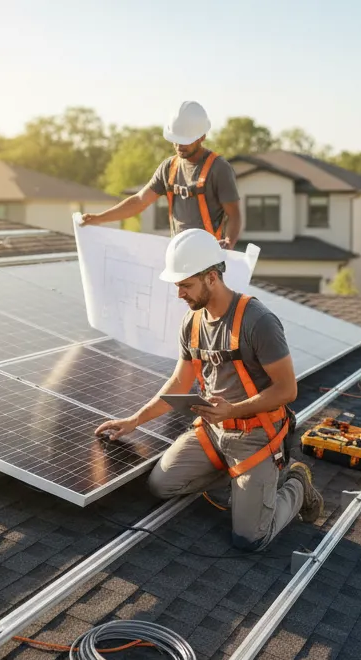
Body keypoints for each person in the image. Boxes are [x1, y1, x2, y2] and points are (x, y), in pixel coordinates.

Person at [94, 229, 323, 551]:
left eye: (186, 285)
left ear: (212, 277)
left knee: (250, 539)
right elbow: (179, 382)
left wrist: (234, 410)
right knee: (161, 485)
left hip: (256, 435)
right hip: (213, 432)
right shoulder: (192, 323)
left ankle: (297, 483)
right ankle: (242, 481)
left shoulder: (258, 322)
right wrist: (135, 420)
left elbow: (287, 390)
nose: (179, 294)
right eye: (177, 285)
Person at [80, 101, 242, 249]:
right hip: (178, 252)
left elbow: (234, 215)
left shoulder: (219, 169)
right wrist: (98, 218)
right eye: (175, 140)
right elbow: (139, 201)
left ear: (202, 137)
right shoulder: (169, 168)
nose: (179, 146)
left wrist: (228, 243)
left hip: (209, 256)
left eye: (185, 140)